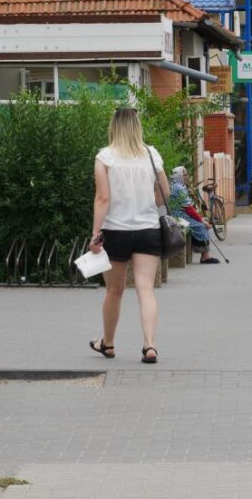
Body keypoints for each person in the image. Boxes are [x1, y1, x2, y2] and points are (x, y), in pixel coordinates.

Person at [88, 108, 167, 364]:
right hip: (148, 230)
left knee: (114, 290)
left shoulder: (105, 157)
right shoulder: (151, 154)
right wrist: (150, 205)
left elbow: (103, 198)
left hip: (115, 231)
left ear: (114, 127)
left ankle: (108, 344)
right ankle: (149, 346)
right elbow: (165, 189)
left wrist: (95, 233)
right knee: (145, 288)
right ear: (137, 127)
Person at [168, 166, 220, 264]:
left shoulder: (176, 185)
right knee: (201, 226)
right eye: (185, 175)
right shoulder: (178, 188)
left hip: (179, 213)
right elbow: (188, 209)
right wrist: (201, 220)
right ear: (178, 176)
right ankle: (205, 257)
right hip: (179, 215)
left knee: (201, 223)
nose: (187, 177)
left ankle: (205, 255)